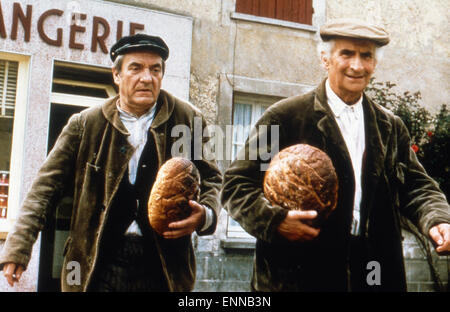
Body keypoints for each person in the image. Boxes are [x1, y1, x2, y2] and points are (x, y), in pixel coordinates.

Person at [221, 19, 450, 292]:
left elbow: (417, 185)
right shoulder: (284, 117)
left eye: (366, 56)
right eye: (347, 54)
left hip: (372, 273)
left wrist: (438, 219)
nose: (357, 65)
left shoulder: (390, 126)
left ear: (374, 64)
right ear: (325, 59)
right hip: (299, 275)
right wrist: (275, 221)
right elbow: (236, 185)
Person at [0, 34, 222, 291]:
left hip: (164, 267)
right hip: (97, 264)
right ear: (117, 75)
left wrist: (204, 215)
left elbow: (212, 178)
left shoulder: (188, 118)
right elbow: (44, 189)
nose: (146, 78)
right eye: (136, 68)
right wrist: (18, 248)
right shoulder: (85, 124)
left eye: (155, 69)